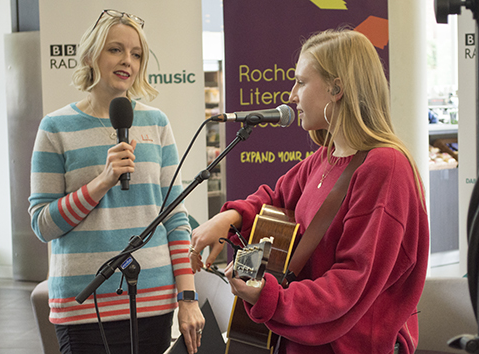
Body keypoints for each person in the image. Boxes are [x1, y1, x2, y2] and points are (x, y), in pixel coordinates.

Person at [190, 29, 429, 354]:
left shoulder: (385, 166)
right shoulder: (326, 158)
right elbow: (274, 199)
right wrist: (230, 218)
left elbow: (351, 283)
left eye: (302, 82)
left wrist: (271, 298)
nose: (291, 94)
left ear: (337, 89)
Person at [29, 9, 204, 354]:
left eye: (136, 54)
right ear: (92, 54)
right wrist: (103, 181)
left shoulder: (156, 123)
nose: (127, 61)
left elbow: (175, 218)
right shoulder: (55, 127)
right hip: (83, 306)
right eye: (115, 50)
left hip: (152, 302)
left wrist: (187, 297)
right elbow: (42, 225)